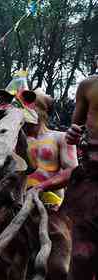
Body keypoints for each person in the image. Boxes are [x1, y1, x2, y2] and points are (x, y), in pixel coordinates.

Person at [23, 89, 78, 280]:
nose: (27, 111)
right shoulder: (14, 139)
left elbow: (72, 171)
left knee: (57, 267)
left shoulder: (59, 138)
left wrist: (41, 187)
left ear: (43, 111)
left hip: (51, 209)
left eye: (32, 106)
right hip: (16, 208)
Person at [61, 65, 98, 279]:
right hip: (90, 179)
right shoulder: (88, 85)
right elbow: (75, 129)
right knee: (82, 255)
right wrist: (73, 134)